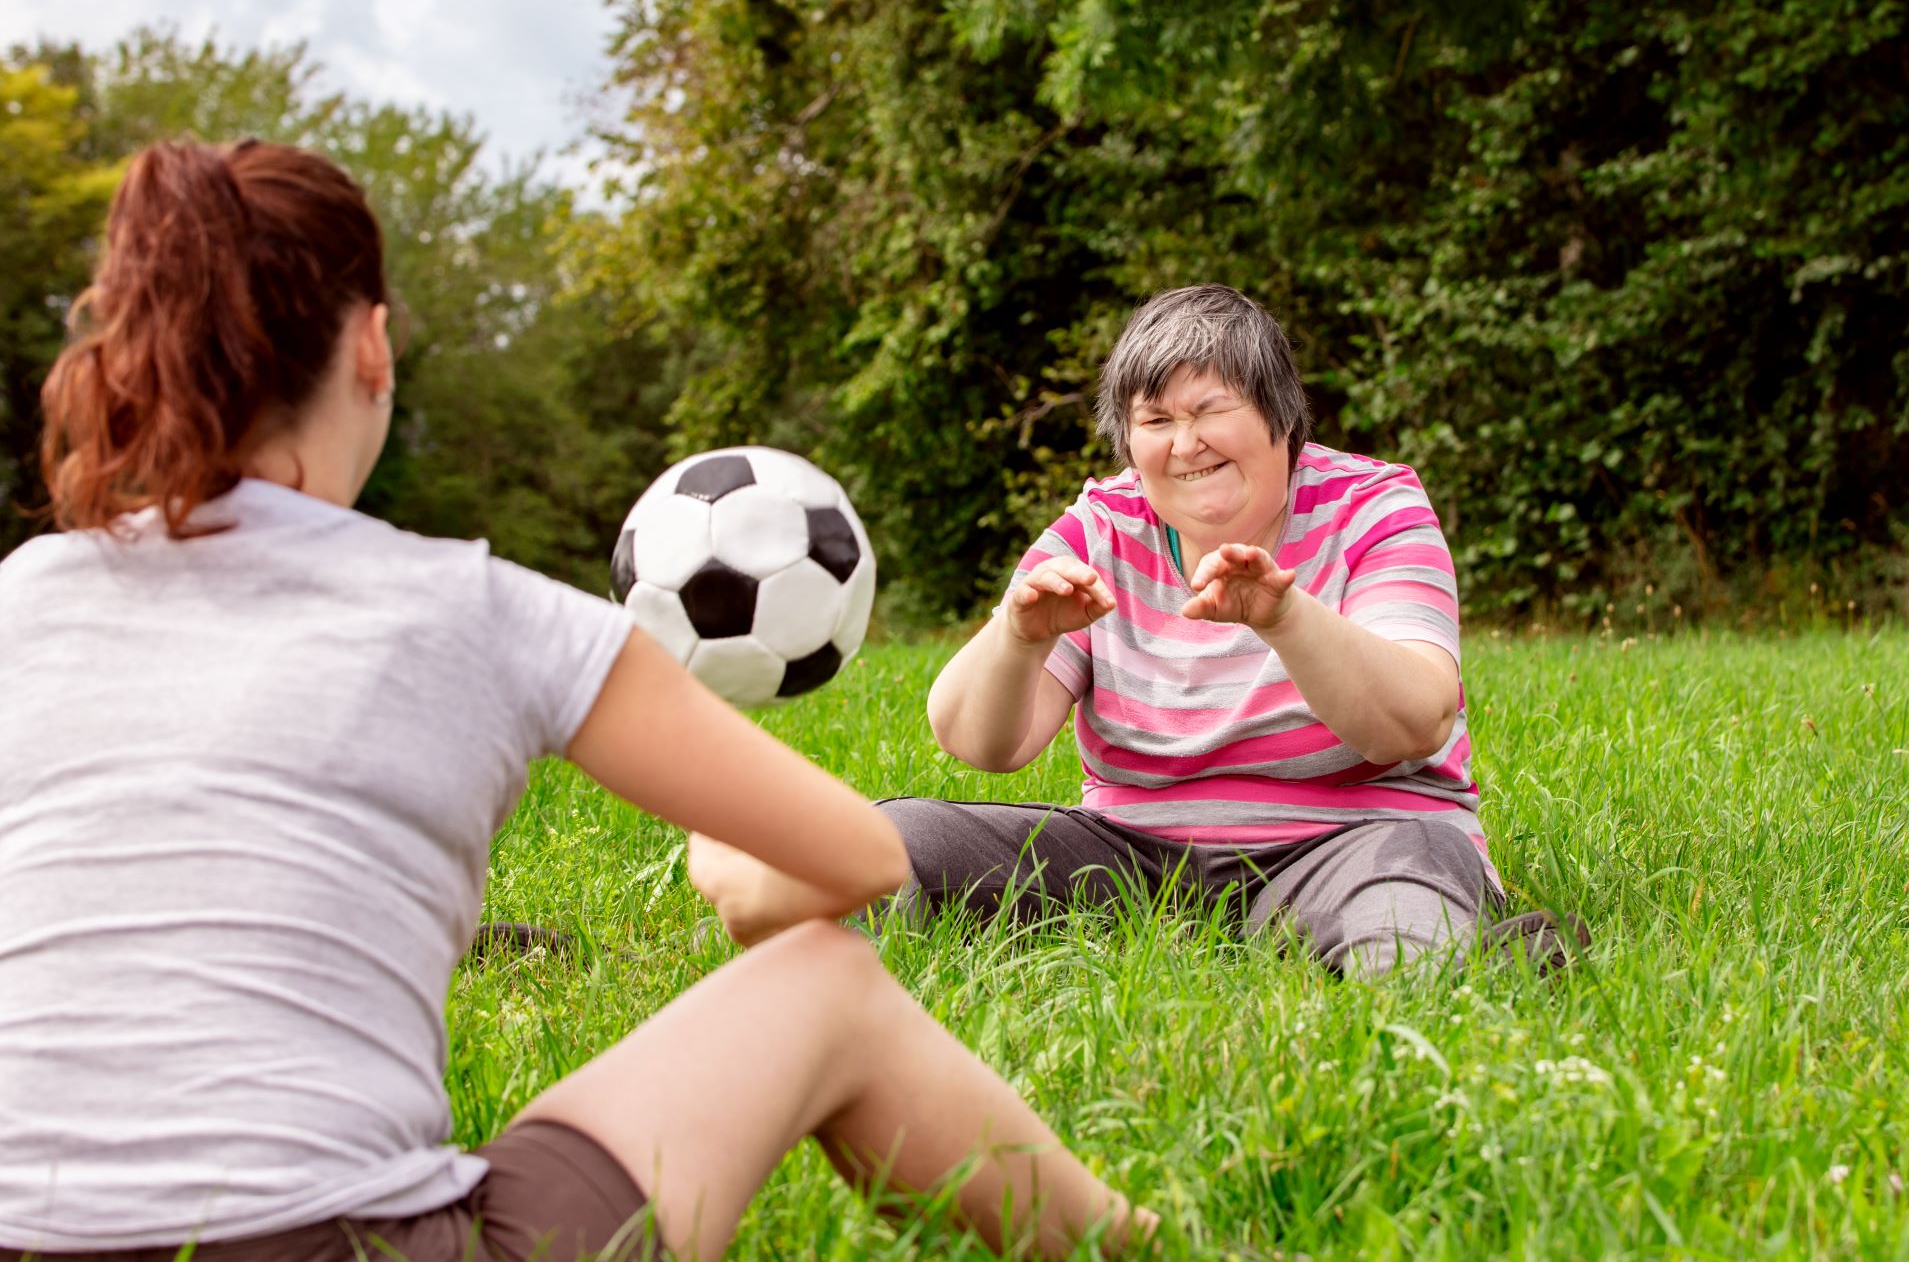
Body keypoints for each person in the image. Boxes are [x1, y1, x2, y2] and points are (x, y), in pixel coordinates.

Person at [0, 140, 1151, 1262]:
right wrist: (722, 864)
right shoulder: (470, 607)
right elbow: (860, 863)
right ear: (372, 347)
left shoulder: (28, 593)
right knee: (829, 986)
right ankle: (1146, 1251)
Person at [699, 285, 1585, 978]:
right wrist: (1018, 633)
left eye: (1211, 409)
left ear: (1280, 412)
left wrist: (1285, 616)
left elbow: (1417, 718)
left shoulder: (1376, 505)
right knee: (894, 843)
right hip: (1138, 862)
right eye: (1154, 421)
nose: (1184, 442)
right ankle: (753, 955)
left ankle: (1469, 947)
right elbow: (981, 742)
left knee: (1408, 913)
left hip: (1357, 840)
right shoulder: (1099, 527)